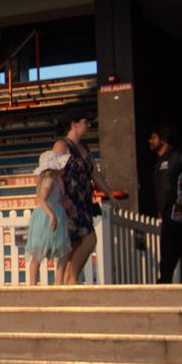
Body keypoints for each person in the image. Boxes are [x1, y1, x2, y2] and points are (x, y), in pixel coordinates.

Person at [54, 112, 114, 284]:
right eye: (86, 122)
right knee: (80, 241)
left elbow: (96, 175)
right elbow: (54, 173)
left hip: (83, 201)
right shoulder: (61, 145)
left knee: (80, 242)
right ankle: (68, 279)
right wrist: (62, 198)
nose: (89, 125)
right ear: (74, 123)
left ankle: (69, 280)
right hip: (70, 202)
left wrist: (109, 193)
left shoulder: (84, 148)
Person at [148, 126, 182, 282]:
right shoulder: (159, 161)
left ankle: (163, 282)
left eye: (153, 137)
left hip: (179, 212)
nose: (150, 141)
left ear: (163, 139)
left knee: (169, 250)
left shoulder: (179, 156)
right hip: (168, 214)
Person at [25, 151, 71, 285]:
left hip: (57, 214)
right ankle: (32, 284)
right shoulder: (49, 180)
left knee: (62, 252)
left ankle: (58, 282)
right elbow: (41, 199)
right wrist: (51, 215)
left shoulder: (57, 180)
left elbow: (60, 199)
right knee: (39, 251)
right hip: (46, 216)